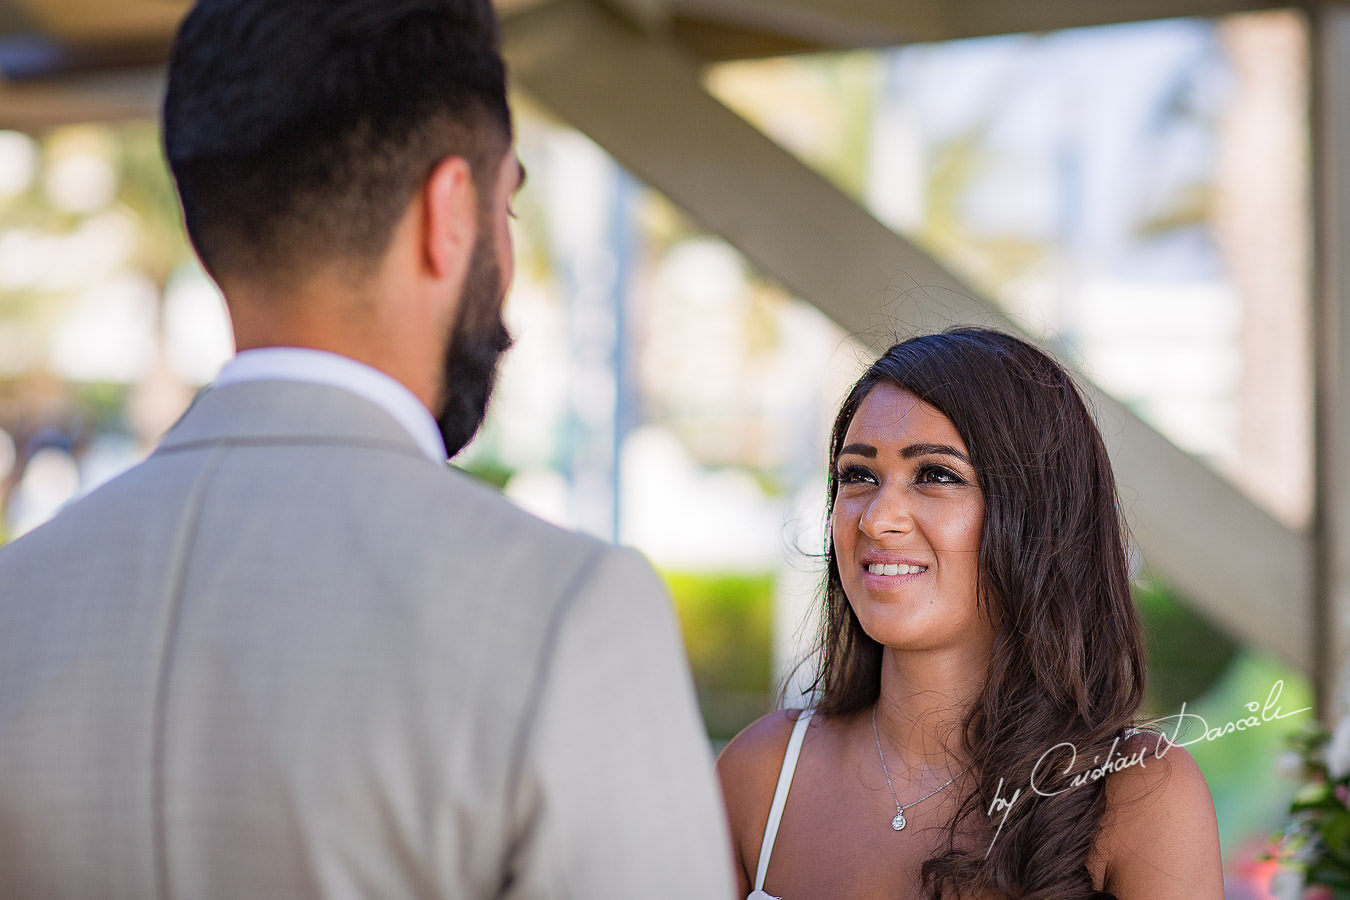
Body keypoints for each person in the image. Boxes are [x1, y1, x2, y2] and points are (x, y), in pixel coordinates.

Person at [0, 1, 735, 897]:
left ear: (204, 227)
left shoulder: (19, 597)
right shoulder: (571, 613)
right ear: (451, 212)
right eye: (510, 204)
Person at [717, 327, 1223, 899]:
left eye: (936, 475)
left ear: (1038, 520)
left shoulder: (1139, 795)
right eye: (858, 475)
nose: (878, 518)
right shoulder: (759, 776)